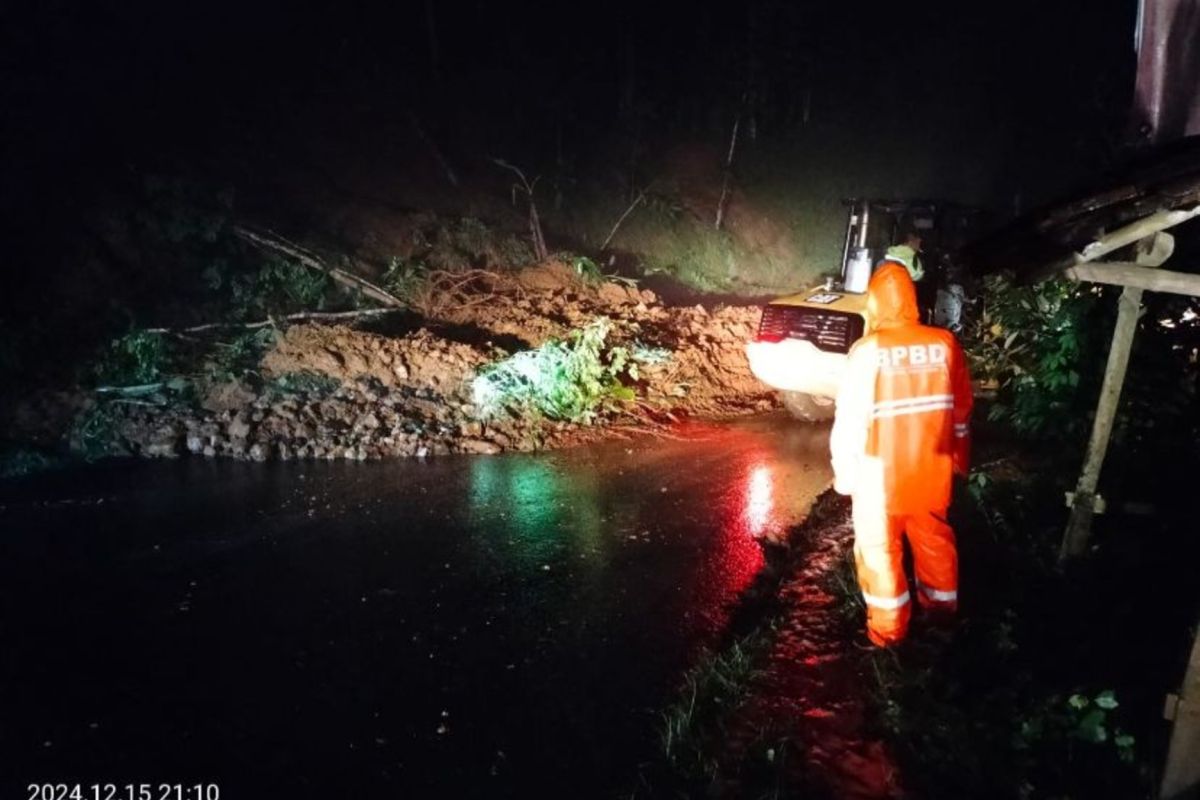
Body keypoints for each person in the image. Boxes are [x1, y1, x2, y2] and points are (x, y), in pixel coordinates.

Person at [830, 261, 973, 647]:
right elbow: (961, 412)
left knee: (880, 553)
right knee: (934, 543)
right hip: (931, 473)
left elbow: (850, 423)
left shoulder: (868, 350)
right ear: (912, 301)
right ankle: (941, 620)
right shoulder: (944, 344)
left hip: (880, 482)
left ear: (875, 304)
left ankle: (889, 635)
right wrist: (961, 458)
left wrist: (845, 476)